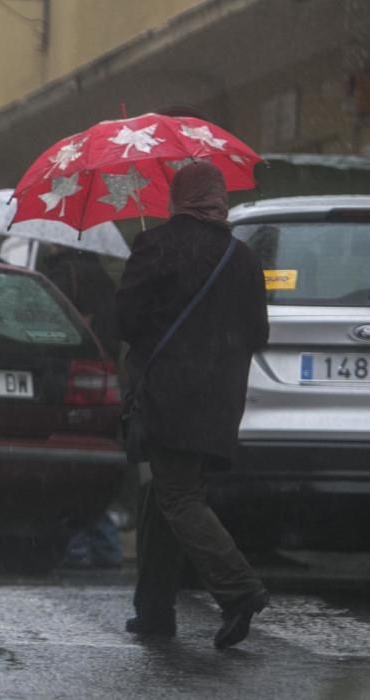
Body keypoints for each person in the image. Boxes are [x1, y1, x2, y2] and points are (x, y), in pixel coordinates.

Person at [116, 160, 270, 649]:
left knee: (179, 497)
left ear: (178, 196)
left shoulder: (155, 245)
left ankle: (239, 590)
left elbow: (124, 322)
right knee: (164, 495)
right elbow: (259, 333)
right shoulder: (242, 258)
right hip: (219, 400)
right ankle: (155, 610)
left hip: (169, 397)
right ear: (219, 196)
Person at [41, 247, 125, 568]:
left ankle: (77, 552)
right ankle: (107, 550)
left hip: (66, 378)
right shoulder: (103, 277)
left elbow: (50, 324)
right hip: (101, 379)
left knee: (65, 479)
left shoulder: (63, 276)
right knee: (92, 476)